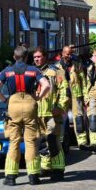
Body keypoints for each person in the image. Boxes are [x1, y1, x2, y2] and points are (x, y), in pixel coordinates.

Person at [0, 46, 51, 186]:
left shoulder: (7, 71)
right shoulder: (34, 70)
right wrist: (38, 97)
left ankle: (11, 177)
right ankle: (33, 176)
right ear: (26, 57)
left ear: (14, 57)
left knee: (14, 141)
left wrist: (4, 99)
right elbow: (46, 85)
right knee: (30, 141)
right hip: (30, 104)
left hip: (13, 104)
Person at [33, 47, 69, 181]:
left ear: (45, 57)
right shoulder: (32, 72)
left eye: (39, 56)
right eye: (35, 57)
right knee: (41, 142)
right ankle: (46, 167)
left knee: (53, 141)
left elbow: (64, 90)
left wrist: (60, 107)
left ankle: (58, 169)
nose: (37, 59)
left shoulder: (57, 71)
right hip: (37, 113)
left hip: (52, 113)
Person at [60, 46, 90, 150]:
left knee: (78, 118)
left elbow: (83, 81)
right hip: (63, 95)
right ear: (63, 54)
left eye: (70, 54)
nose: (69, 56)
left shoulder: (77, 65)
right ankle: (61, 142)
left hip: (76, 94)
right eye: (67, 54)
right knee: (61, 119)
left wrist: (86, 95)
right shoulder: (57, 66)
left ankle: (82, 142)